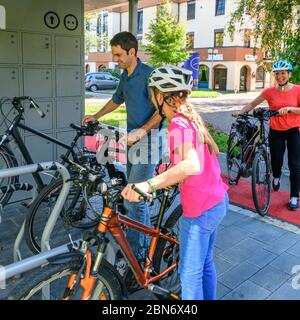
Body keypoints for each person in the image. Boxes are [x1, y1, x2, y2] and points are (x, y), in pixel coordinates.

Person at [121, 65, 229, 300]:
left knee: (189, 275)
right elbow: (207, 153)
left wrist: (147, 185)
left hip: (200, 209)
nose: (151, 98)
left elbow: (191, 165)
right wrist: (172, 170)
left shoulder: (178, 124)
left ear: (161, 96)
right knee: (205, 263)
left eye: (152, 94)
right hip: (217, 201)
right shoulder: (190, 117)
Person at [82, 31, 162, 259]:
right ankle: (138, 241)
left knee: (136, 198)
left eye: (118, 55)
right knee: (131, 193)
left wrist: (141, 132)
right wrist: (96, 115)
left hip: (149, 141)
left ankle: (139, 254)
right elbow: (116, 100)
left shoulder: (150, 75)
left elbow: (160, 113)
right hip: (133, 141)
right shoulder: (126, 76)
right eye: (114, 55)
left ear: (132, 52)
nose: (115, 59)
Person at [233, 60, 300, 210]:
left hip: (294, 131)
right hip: (276, 131)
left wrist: (289, 108)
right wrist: (240, 112)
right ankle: (276, 177)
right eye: (277, 74)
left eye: (283, 73)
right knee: (276, 162)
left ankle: (294, 196)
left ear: (289, 74)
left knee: (295, 164)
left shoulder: (297, 90)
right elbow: (252, 104)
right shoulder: (269, 92)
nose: (280, 76)